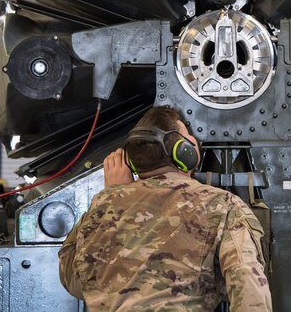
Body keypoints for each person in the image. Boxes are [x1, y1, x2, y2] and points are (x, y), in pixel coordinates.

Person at [59, 106, 273, 311]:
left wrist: (112, 197)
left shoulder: (104, 206)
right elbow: (248, 288)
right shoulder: (222, 205)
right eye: (188, 137)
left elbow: (73, 281)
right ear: (184, 152)